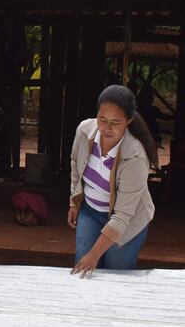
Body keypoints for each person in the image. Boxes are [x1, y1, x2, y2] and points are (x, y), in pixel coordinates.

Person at [68, 85, 159, 277]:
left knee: (117, 274)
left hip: (128, 220)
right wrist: (74, 203)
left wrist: (94, 254)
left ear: (129, 120)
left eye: (115, 123)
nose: (106, 128)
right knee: (82, 270)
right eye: (102, 120)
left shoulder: (135, 157)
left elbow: (122, 216)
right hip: (91, 211)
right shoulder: (84, 131)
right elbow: (76, 165)